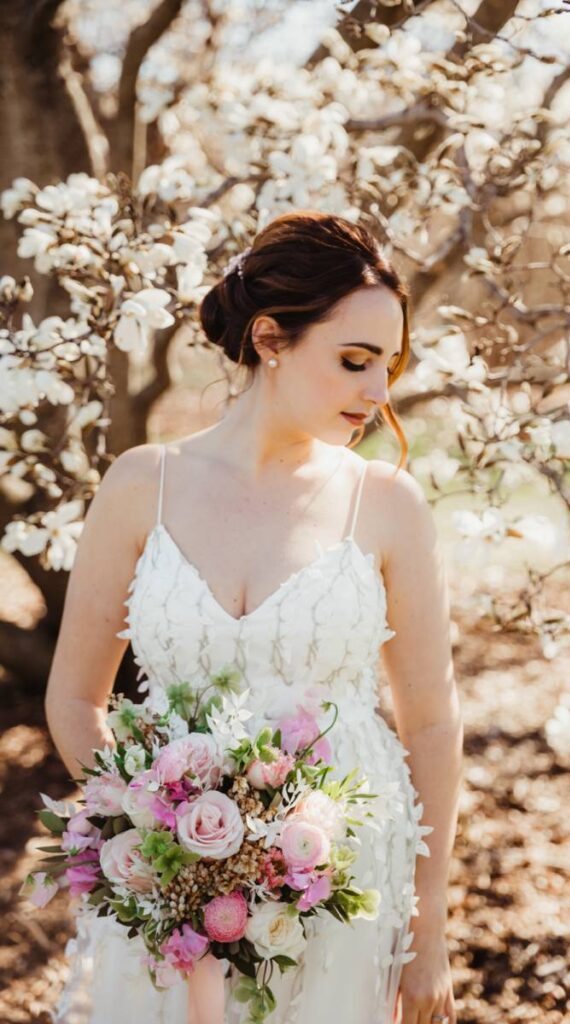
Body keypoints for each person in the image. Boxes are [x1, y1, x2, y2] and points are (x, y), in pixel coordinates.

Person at [44, 210, 463, 1024]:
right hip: (169, 890)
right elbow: (73, 699)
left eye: (388, 365)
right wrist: (150, 831)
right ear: (270, 338)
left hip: (342, 884)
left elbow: (434, 722)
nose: (379, 394)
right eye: (353, 361)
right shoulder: (142, 486)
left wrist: (430, 924)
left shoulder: (385, 504)